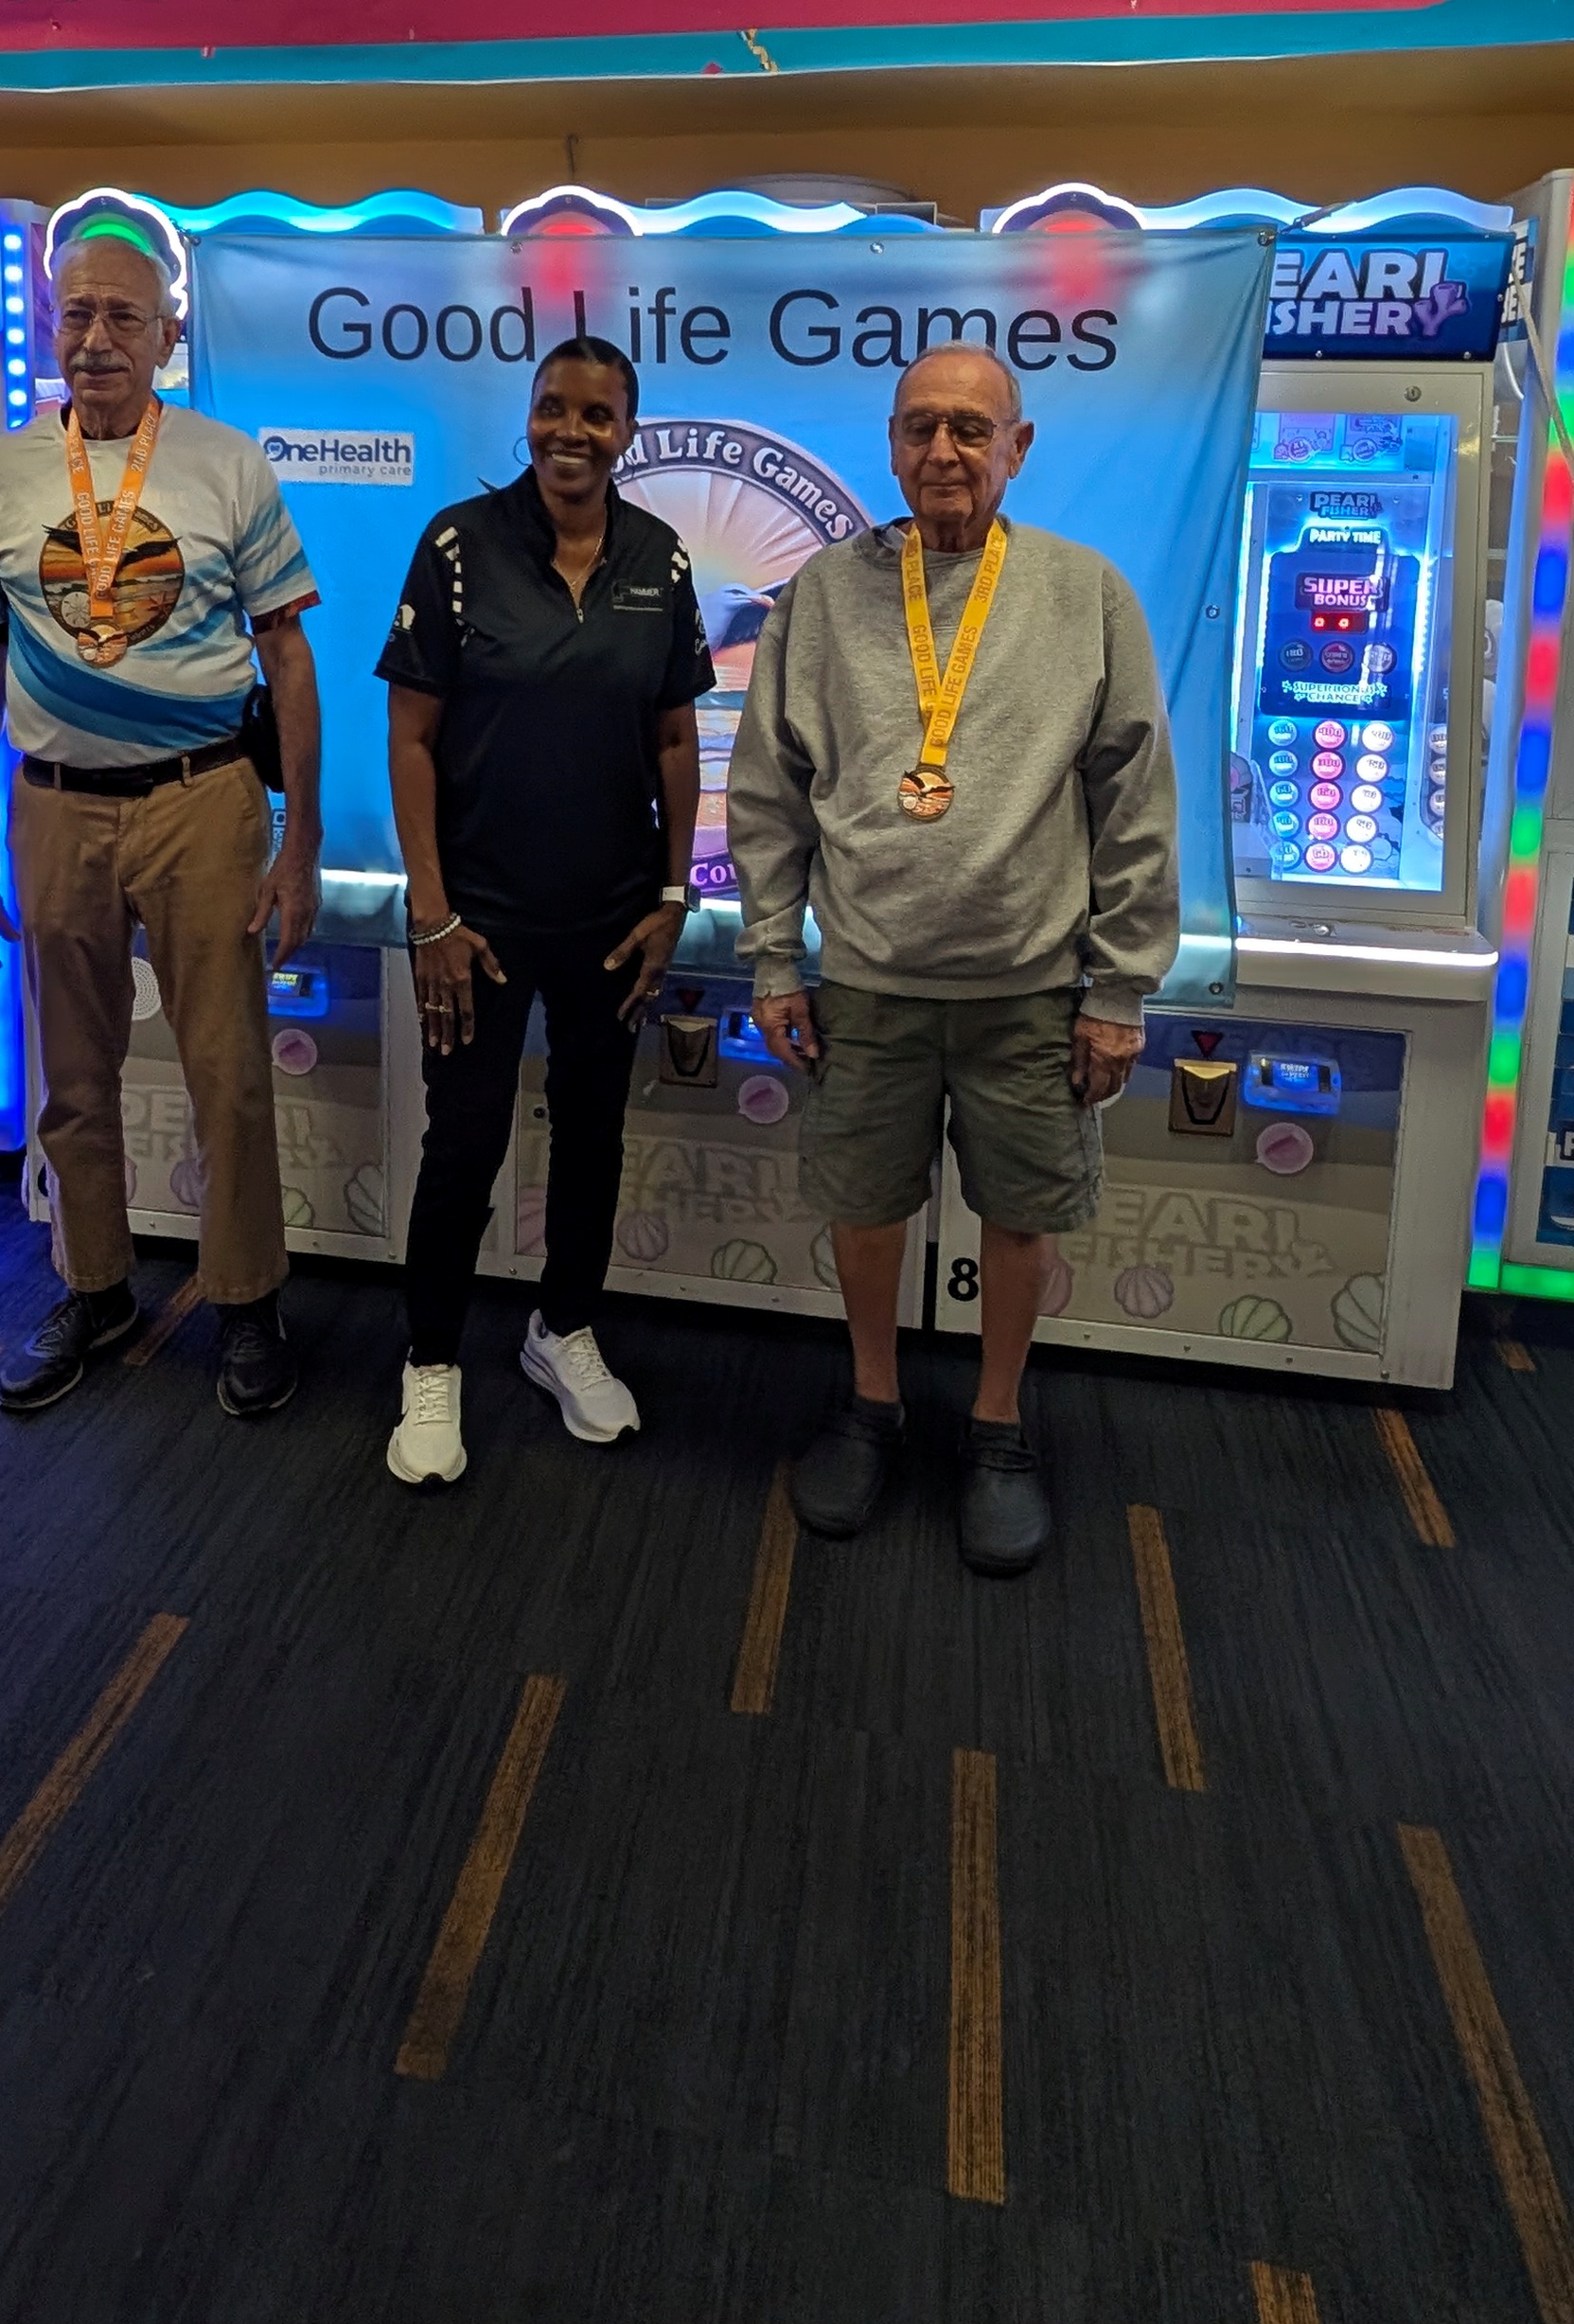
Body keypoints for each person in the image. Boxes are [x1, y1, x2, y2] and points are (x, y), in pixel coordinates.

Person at [726, 345, 1178, 1576]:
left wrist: (1119, 986)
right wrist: (774, 961)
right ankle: (872, 1403)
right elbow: (768, 790)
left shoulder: (1087, 594)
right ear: (890, 443)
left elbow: (1135, 800)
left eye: (972, 430)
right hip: (866, 981)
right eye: (921, 427)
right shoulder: (822, 595)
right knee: (864, 1206)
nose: (944, 452)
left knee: (1021, 1218)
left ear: (1017, 449)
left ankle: (997, 1427)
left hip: (1030, 988)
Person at [0, 198, 324, 1422]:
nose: (97, 338)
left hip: (203, 801)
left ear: (167, 334)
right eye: (78, 315)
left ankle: (246, 1299)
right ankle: (95, 1287)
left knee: (230, 1073)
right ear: (51, 326)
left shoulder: (226, 464)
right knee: (71, 1074)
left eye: (123, 316)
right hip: (55, 809)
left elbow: (289, 657)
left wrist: (303, 842)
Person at [376, 335, 715, 1488]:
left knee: (592, 1134)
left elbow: (676, 739)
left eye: (597, 414)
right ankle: (431, 1361)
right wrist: (432, 913)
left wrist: (673, 894)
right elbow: (411, 738)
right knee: (464, 1141)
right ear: (528, 417)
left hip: (610, 920)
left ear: (628, 430)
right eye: (552, 408)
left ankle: (561, 1328)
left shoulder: (660, 559)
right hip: (477, 921)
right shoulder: (458, 546)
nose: (571, 431)